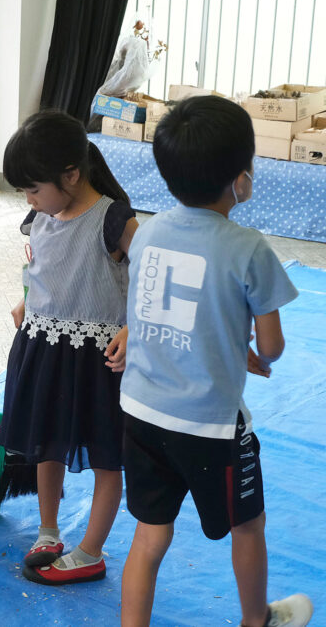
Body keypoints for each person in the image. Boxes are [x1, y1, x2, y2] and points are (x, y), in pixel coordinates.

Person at [119, 96, 313, 627]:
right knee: (248, 524)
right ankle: (257, 620)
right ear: (242, 180)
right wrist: (249, 347)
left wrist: (227, 342)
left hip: (140, 410)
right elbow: (272, 348)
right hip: (209, 426)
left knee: (150, 534)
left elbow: (158, 320)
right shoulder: (249, 248)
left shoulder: (149, 232)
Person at [0, 110, 138, 586]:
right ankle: (48, 530)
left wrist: (132, 327)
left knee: (105, 456)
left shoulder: (114, 218)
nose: (30, 200)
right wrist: (26, 299)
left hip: (96, 359)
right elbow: (45, 268)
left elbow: (152, 276)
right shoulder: (41, 213)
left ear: (72, 175)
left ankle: (90, 552)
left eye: (34, 189)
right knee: (45, 444)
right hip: (44, 347)